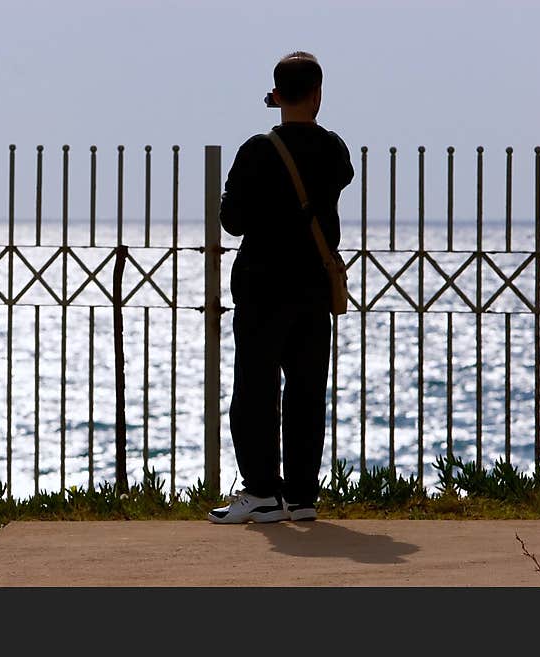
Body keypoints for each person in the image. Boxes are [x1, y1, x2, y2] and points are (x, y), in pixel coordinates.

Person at [208, 51, 354, 524]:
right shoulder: (333, 149)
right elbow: (340, 176)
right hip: (312, 287)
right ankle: (301, 496)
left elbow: (232, 221)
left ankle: (261, 492)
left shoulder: (257, 151)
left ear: (275, 94)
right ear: (317, 93)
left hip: (262, 288)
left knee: (255, 388)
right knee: (307, 390)